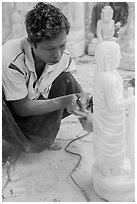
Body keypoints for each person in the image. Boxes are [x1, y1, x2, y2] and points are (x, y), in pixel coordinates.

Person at [2, 2, 92, 154]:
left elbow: (74, 90)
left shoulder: (64, 58)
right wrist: (64, 101)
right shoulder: (10, 58)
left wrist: (84, 108)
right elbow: (21, 108)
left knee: (68, 80)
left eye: (62, 45)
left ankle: (39, 137)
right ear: (31, 42)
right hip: (11, 114)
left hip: (34, 107)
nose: (57, 54)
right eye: (50, 48)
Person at [92, 41, 135, 176]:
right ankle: (107, 168)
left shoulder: (109, 74)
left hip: (114, 118)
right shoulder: (107, 79)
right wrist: (132, 100)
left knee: (116, 143)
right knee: (110, 143)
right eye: (118, 55)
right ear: (108, 59)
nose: (121, 57)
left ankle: (115, 166)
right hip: (108, 119)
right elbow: (113, 104)